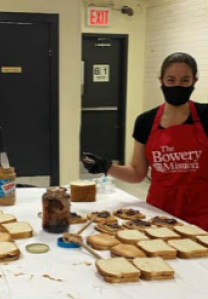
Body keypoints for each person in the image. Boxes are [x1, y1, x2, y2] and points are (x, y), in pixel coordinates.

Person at [82, 52, 208, 231]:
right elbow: (137, 173)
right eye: (171, 80)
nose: (177, 86)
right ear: (161, 80)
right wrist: (107, 166)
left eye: (185, 80)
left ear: (194, 81)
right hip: (160, 209)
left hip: (202, 209)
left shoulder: (205, 116)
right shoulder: (146, 121)